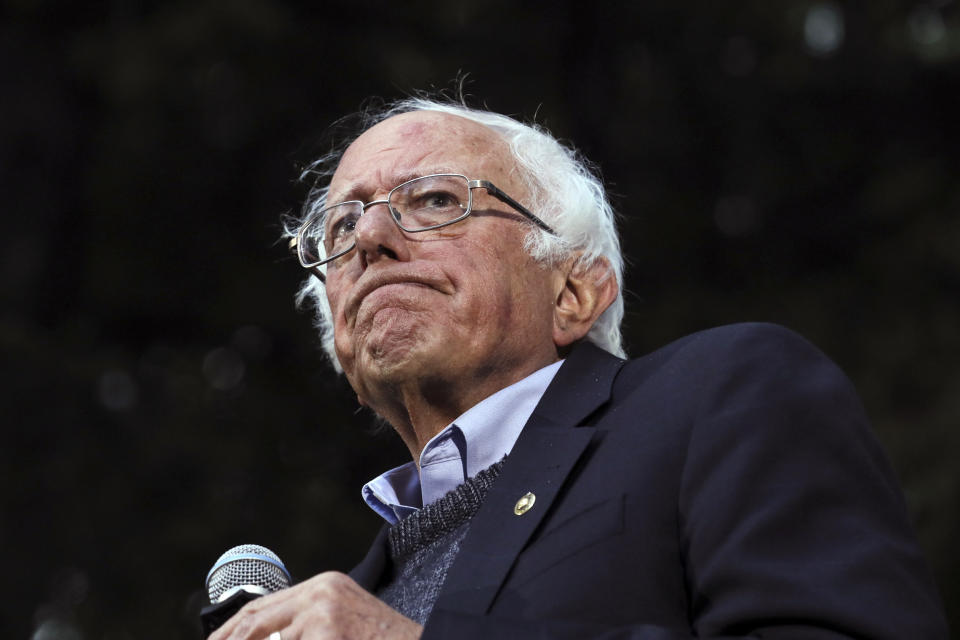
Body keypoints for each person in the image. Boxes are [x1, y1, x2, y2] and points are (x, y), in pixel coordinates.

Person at [209, 98, 948, 640]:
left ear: (574, 292)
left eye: (434, 200)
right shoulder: (363, 588)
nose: (369, 236)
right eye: (341, 225)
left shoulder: (722, 394)